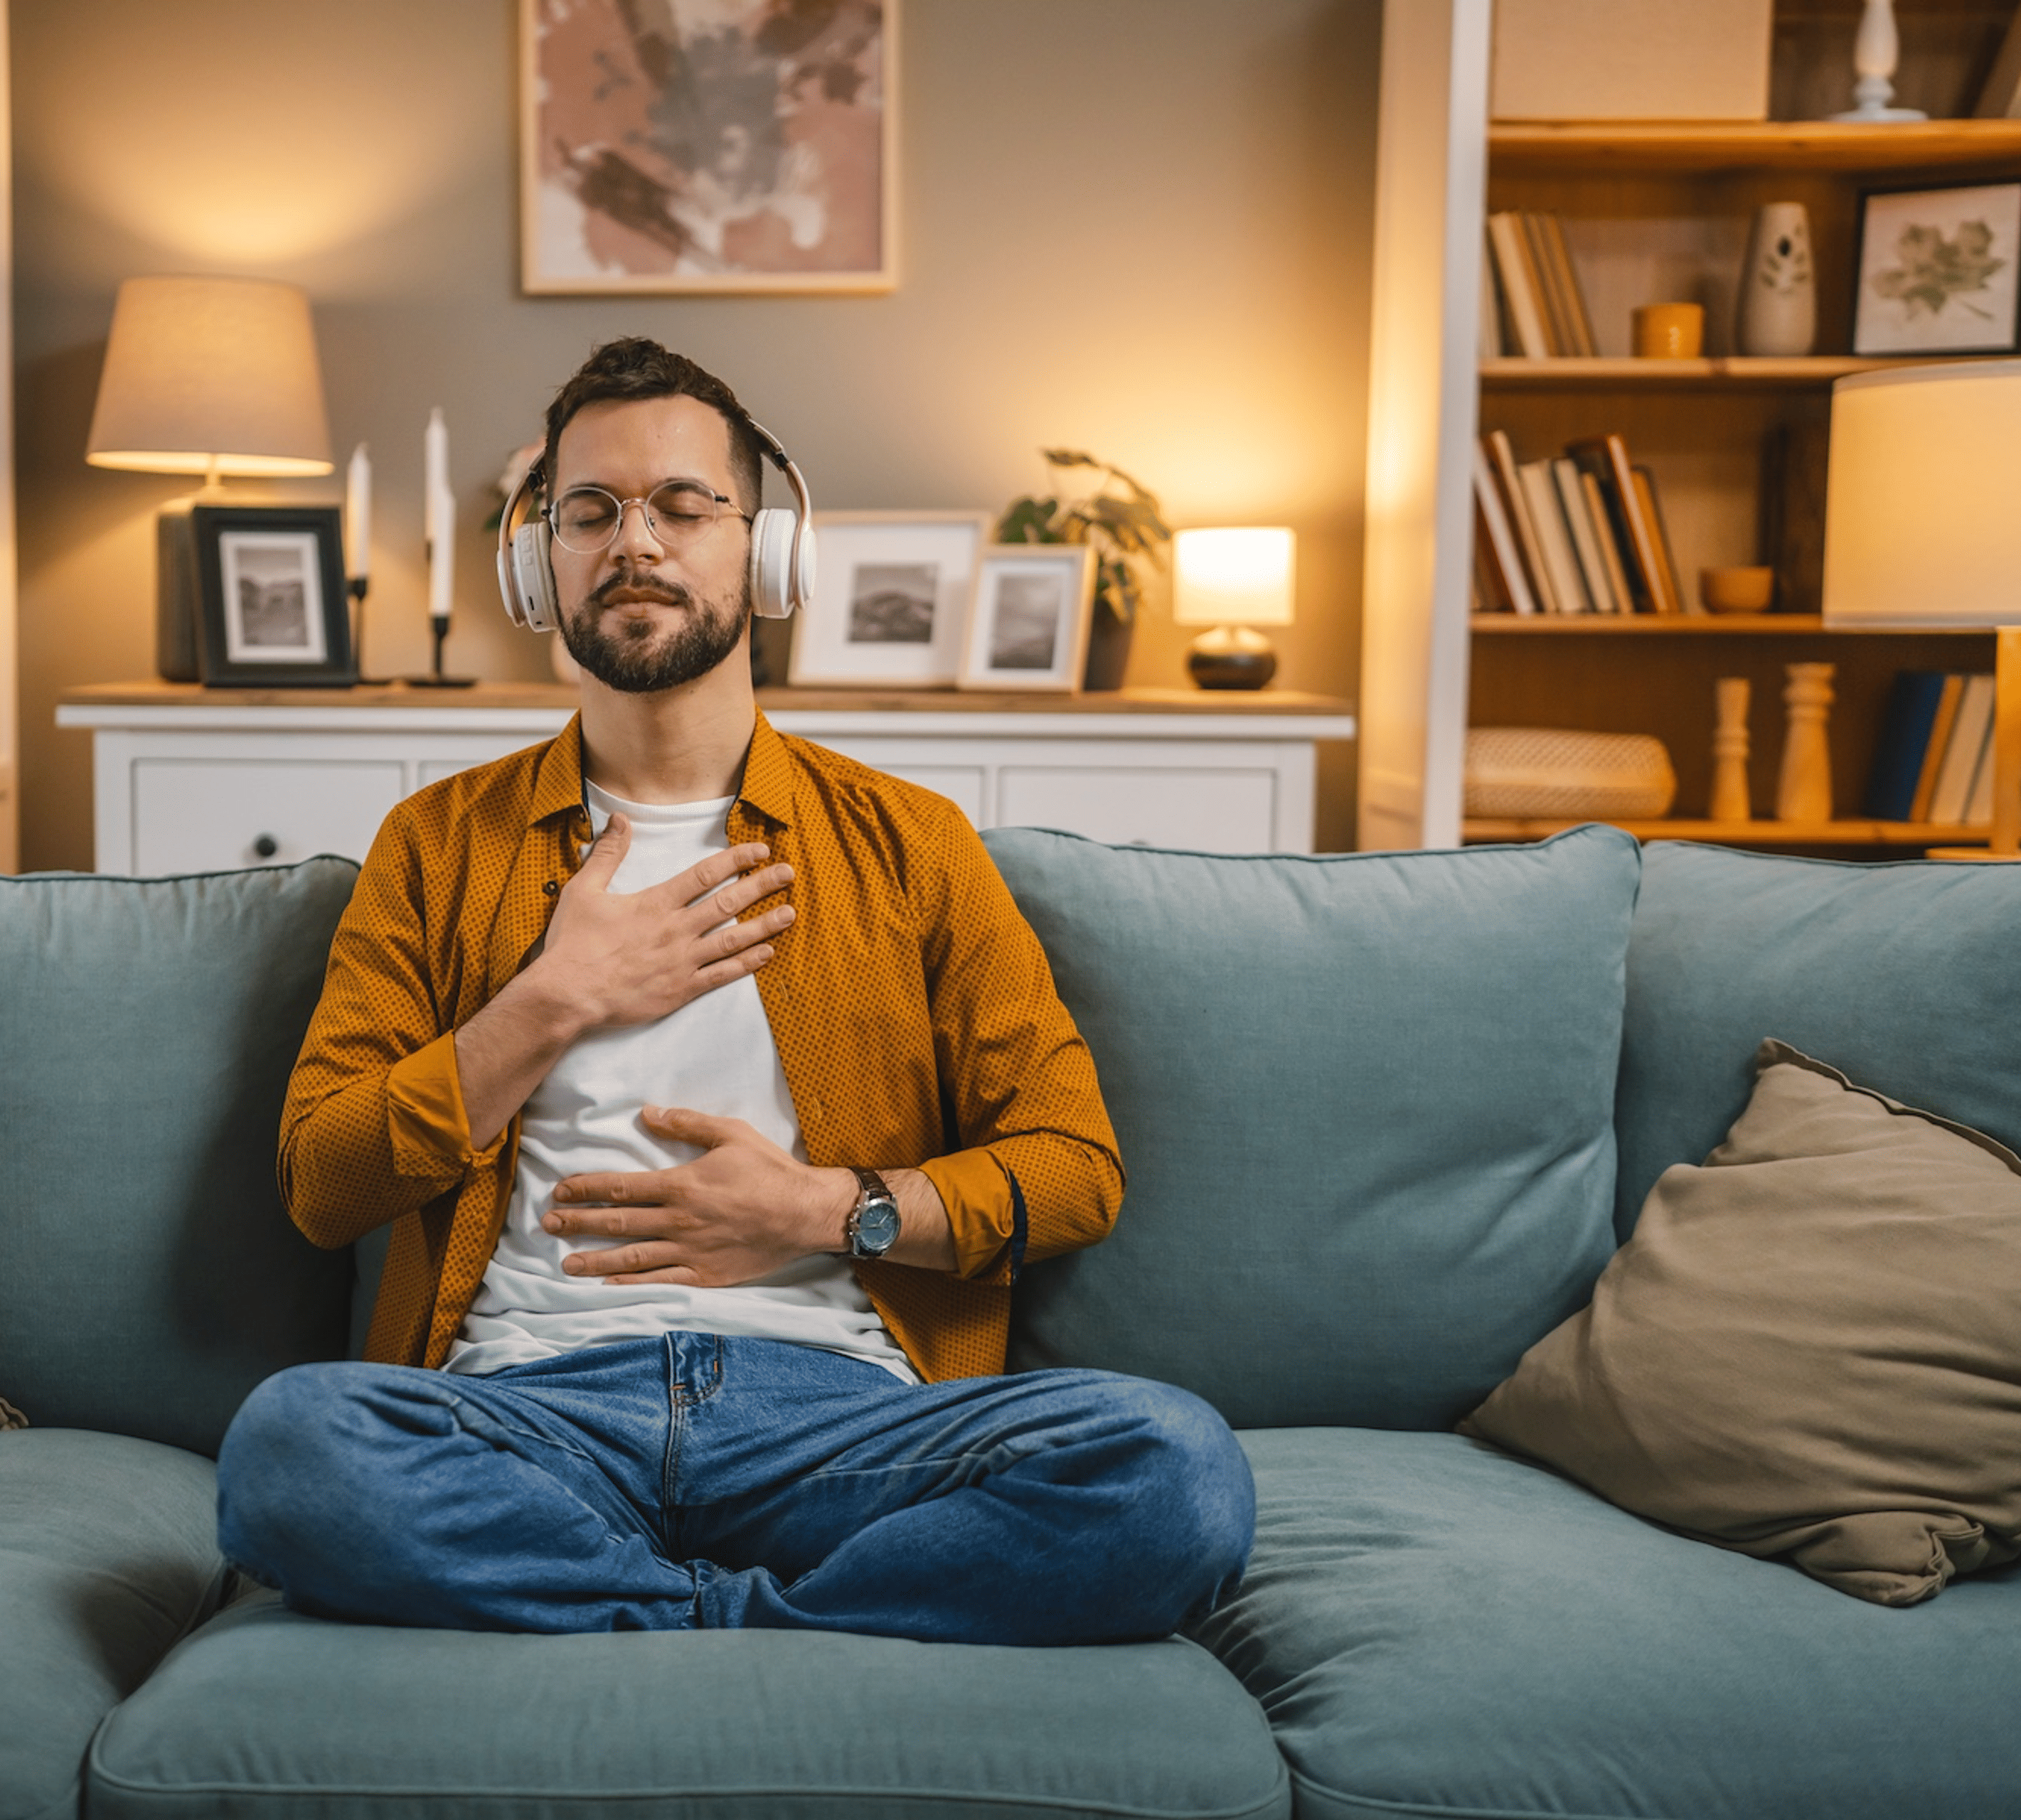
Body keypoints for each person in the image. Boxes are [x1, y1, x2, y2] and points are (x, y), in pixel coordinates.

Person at [217, 338, 1252, 1645]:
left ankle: (637, 1612)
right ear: (537, 563)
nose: (632, 541)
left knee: (1178, 1469)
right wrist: (552, 1000)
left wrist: (832, 1210)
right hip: (533, 1413)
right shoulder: (436, 846)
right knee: (290, 1449)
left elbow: (1074, 1167)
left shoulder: (912, 843)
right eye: (586, 511)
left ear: (767, 552)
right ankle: (777, 1625)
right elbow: (324, 1183)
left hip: (841, 1423)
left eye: (682, 505)